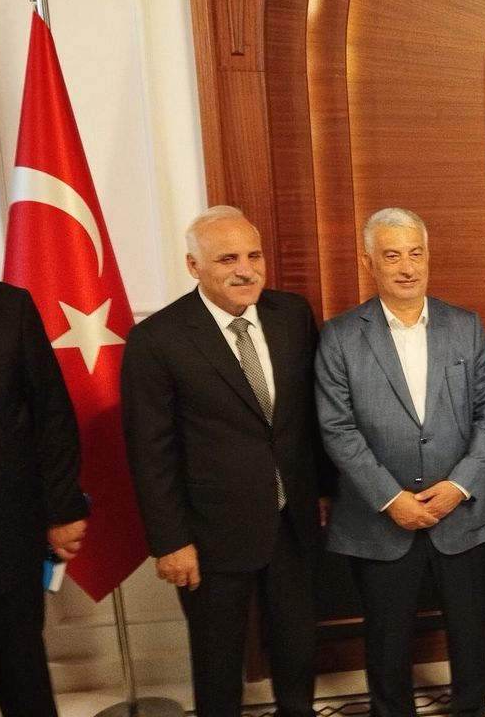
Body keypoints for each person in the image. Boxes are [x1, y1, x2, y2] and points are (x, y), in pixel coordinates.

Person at [122, 206, 330, 717]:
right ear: (193, 266)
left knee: (298, 650)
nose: (246, 270)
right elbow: (150, 452)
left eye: (254, 256)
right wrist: (170, 541)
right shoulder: (157, 339)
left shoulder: (293, 315)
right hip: (209, 534)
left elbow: (312, 414)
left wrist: (324, 490)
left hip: (293, 520)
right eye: (227, 259)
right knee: (217, 663)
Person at [315, 207, 485, 717]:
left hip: (461, 512)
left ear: (428, 256)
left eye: (415, 254)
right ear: (369, 262)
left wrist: (460, 485)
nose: (406, 267)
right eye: (392, 255)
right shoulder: (339, 336)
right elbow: (337, 428)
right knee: (386, 640)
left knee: (470, 635)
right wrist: (391, 498)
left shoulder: (464, 326)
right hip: (380, 518)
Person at [0, 280, 89, 717]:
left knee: (23, 679)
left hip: (5, 537)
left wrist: (63, 511)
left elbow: (52, 416)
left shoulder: (8, 307)